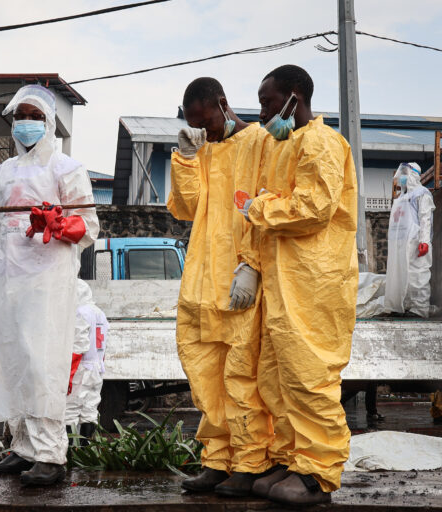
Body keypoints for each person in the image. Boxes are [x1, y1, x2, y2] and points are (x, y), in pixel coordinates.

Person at [0, 84, 99, 486]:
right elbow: (0, 235)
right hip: (8, 282)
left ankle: (51, 456)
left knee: (41, 366)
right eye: (21, 116)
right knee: (12, 363)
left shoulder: (66, 169)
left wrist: (58, 223)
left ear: (50, 122)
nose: (26, 123)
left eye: (35, 116)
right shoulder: (1, 174)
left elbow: (88, 227)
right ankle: (23, 449)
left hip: (46, 283)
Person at [238, 65, 359, 506]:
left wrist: (260, 207)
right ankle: (293, 458)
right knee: (278, 376)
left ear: (294, 96)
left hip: (315, 281)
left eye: (268, 101)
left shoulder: (322, 143)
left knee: (310, 377)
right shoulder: (283, 147)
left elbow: (313, 208)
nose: (264, 111)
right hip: (284, 280)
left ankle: (318, 474)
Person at [167, 77, 273, 497]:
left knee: (241, 377)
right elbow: (188, 207)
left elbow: (269, 207)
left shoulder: (262, 142)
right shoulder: (202, 149)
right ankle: (217, 460)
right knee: (204, 376)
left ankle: (249, 464)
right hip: (200, 281)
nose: (204, 129)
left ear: (223, 104)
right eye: (195, 123)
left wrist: (253, 265)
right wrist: (186, 157)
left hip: (239, 280)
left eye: (206, 120)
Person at [384, 162, 435, 317]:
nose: (403, 177)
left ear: (413, 174)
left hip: (416, 242)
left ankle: (420, 308)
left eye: (406, 173)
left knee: (417, 275)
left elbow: (425, 218)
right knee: (400, 275)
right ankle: (402, 306)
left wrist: (424, 241)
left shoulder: (422, 193)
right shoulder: (401, 197)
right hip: (400, 244)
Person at [65, 279, 108, 445]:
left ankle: (69, 451)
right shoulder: (99, 313)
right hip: (97, 366)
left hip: (80, 368)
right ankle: (87, 449)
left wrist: (68, 376)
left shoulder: (79, 312)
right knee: (89, 409)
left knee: (70, 409)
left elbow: (78, 345)